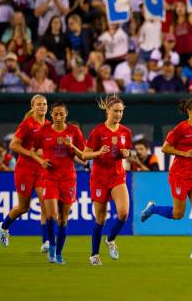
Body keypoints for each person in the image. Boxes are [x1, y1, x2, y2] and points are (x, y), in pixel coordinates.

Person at [140, 98, 192, 260]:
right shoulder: (181, 128)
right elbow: (165, 148)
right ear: (189, 111)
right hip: (180, 175)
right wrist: (183, 153)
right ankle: (153, 209)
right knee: (178, 214)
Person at [30, 102, 85, 264]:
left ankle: (59, 254)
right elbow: (32, 152)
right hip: (49, 177)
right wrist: (41, 162)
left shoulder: (74, 131)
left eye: (61, 114)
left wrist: (72, 146)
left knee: (63, 219)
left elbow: (83, 156)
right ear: (51, 115)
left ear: (66, 114)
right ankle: (52, 246)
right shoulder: (43, 131)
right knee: (52, 215)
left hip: (68, 179)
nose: (58, 117)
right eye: (55, 114)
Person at [84, 94, 132, 265]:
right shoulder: (97, 132)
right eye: (115, 111)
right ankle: (94, 255)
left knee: (124, 213)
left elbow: (126, 151)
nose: (118, 114)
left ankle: (110, 240)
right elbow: (84, 154)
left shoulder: (126, 132)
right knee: (101, 218)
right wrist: (98, 153)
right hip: (99, 178)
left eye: (121, 111)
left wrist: (127, 153)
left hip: (117, 176)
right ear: (107, 110)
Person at [0, 95, 50, 252]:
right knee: (23, 207)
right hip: (25, 169)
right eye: (39, 104)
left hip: (42, 169)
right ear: (33, 106)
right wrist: (32, 154)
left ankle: (46, 242)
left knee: (45, 204)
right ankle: (4, 227)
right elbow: (13, 145)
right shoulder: (27, 124)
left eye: (44, 104)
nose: (42, 106)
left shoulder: (49, 125)